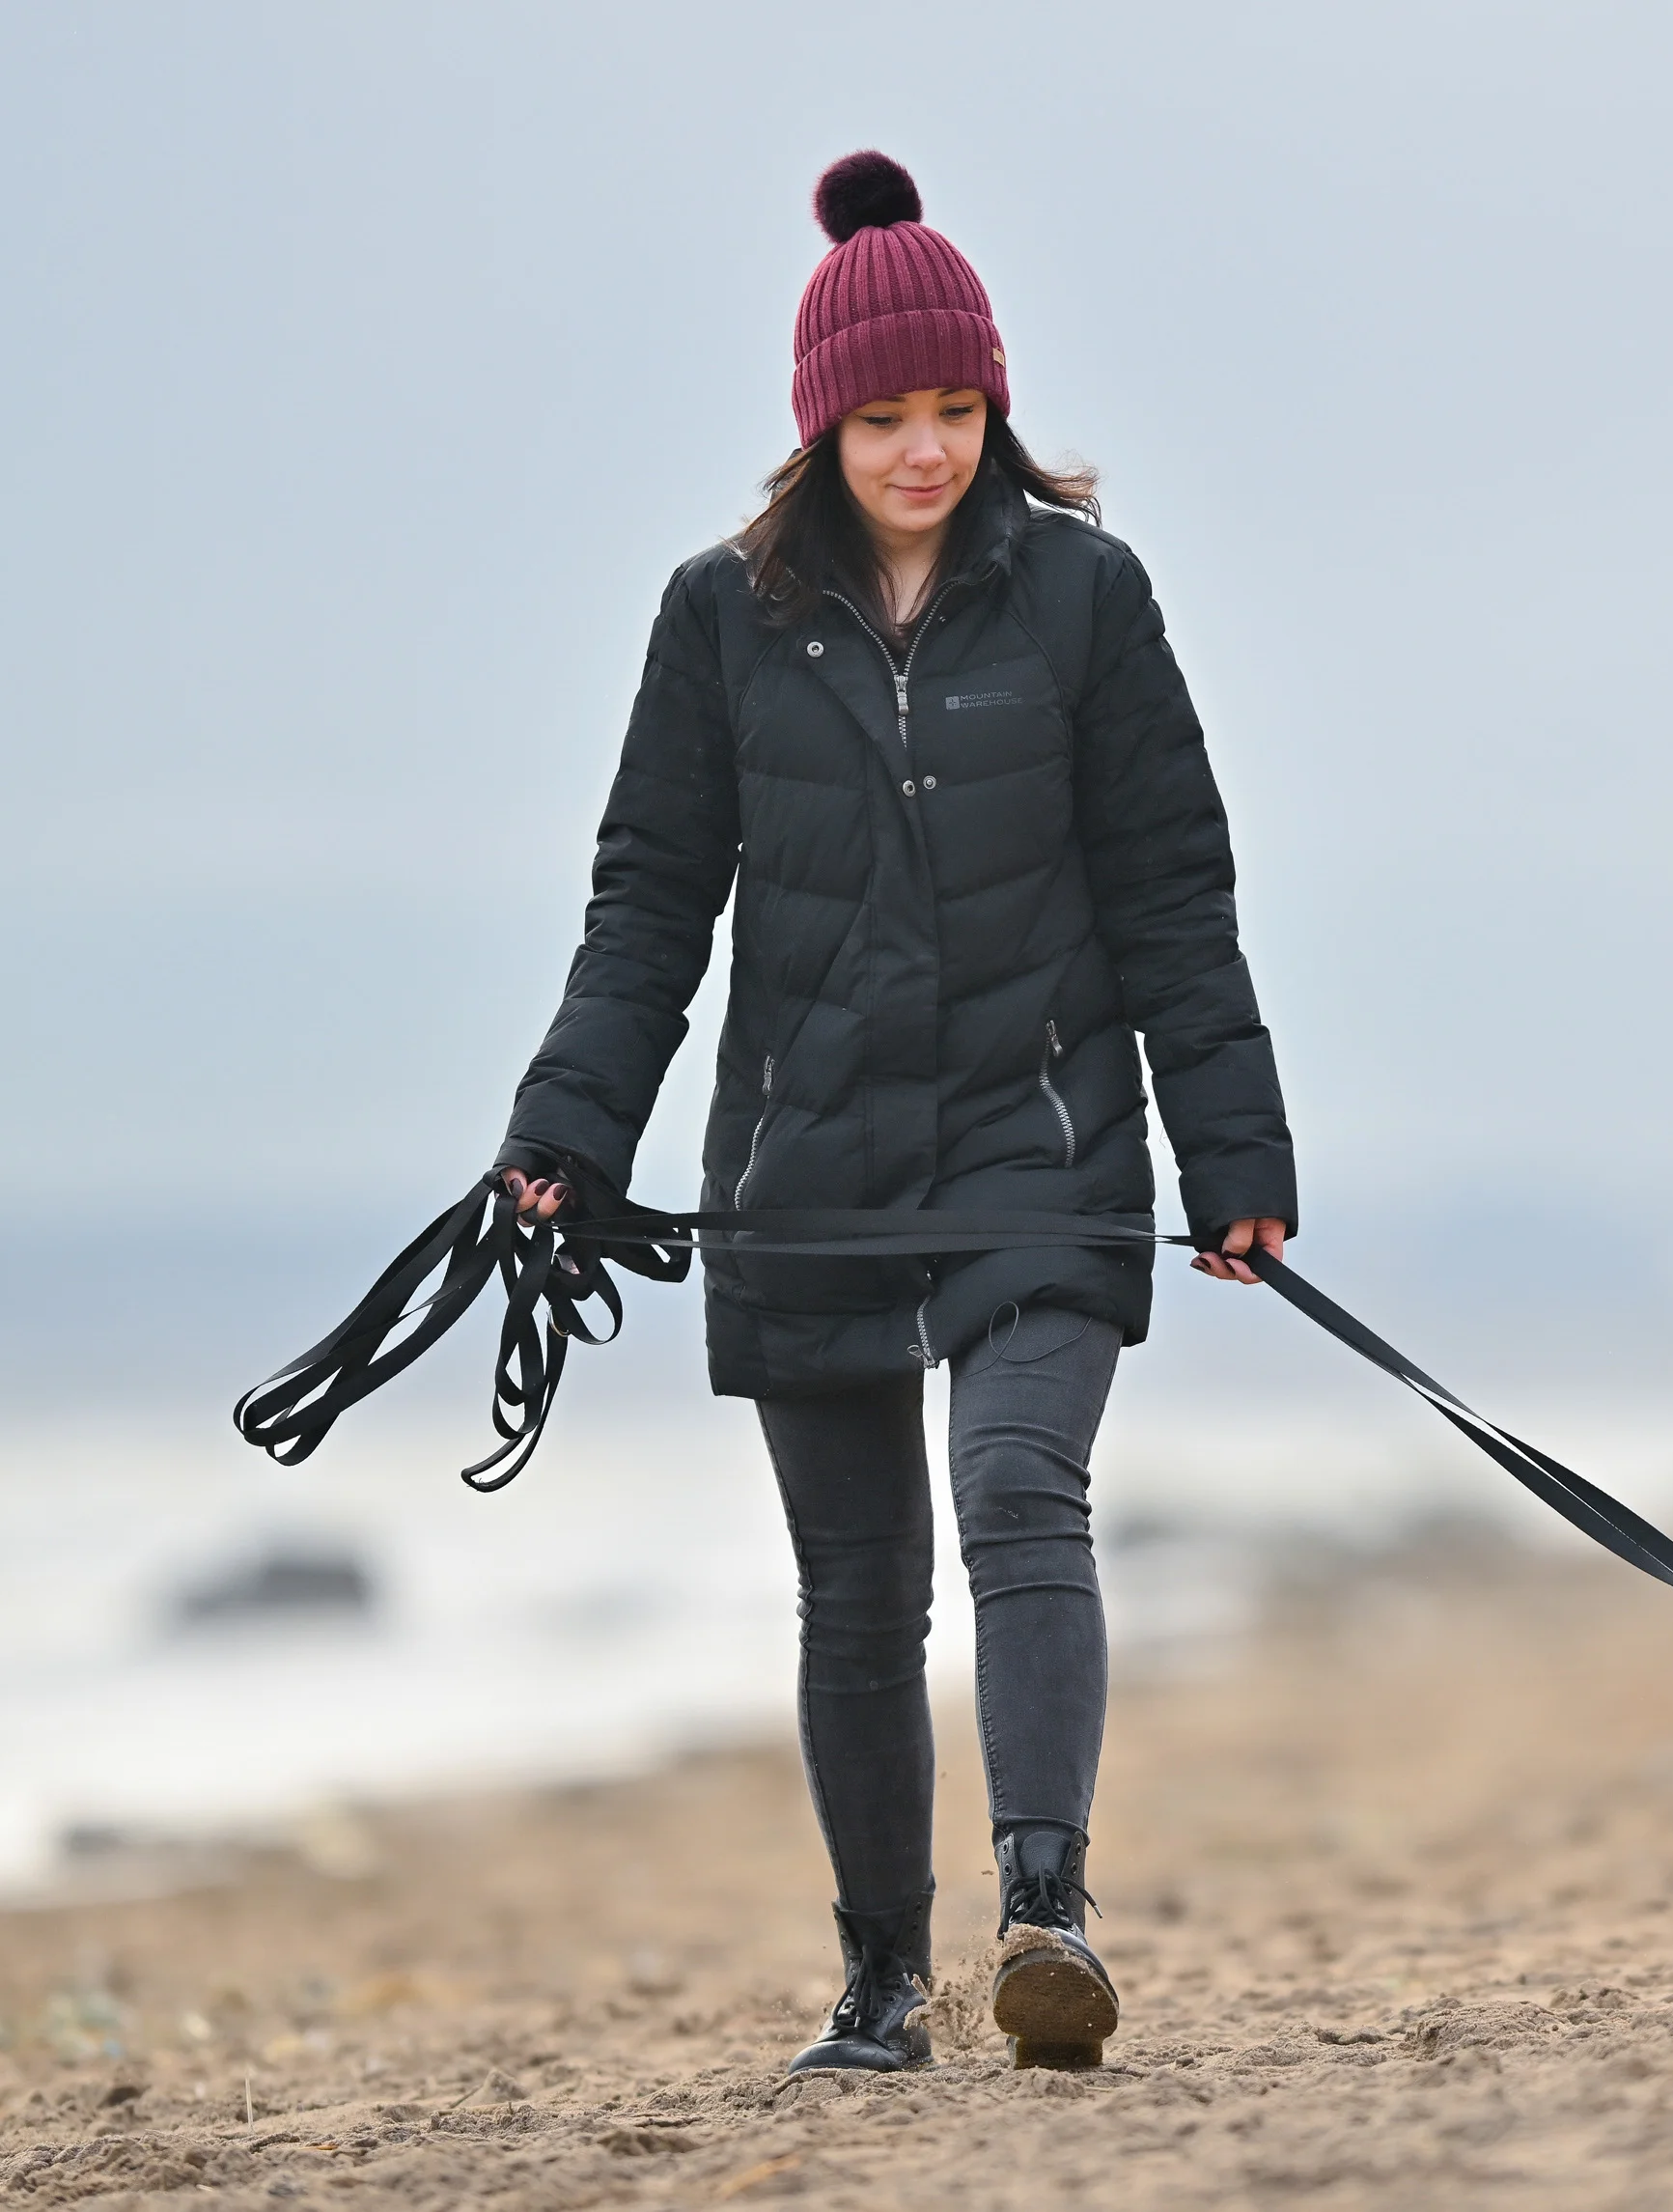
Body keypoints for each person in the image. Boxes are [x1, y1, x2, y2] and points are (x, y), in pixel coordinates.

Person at [490, 150, 1296, 2075]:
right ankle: (877, 1976)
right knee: (857, 1587)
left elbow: (1175, 890)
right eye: (886, 415)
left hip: (1044, 1144)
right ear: (818, 420)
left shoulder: (1091, 601)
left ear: (993, 403)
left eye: (955, 409)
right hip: (808, 1163)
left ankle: (1044, 1913)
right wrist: (562, 1132)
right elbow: (648, 904)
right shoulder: (720, 622)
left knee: (1021, 1490)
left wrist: (1233, 1151)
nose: (925, 448)